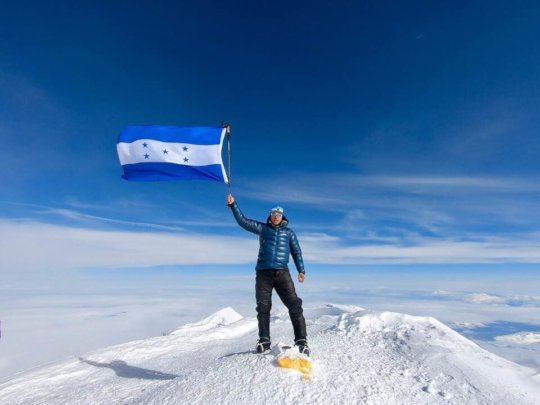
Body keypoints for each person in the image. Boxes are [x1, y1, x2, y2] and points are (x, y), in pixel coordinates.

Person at [227, 194, 309, 356]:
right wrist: (233, 205)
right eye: (273, 214)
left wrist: (301, 270)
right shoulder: (263, 228)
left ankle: (301, 341)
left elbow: (296, 252)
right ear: (270, 216)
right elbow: (243, 221)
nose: (276, 217)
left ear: (282, 217)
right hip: (263, 273)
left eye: (278, 215)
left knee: (295, 305)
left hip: (282, 273)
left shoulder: (289, 233)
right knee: (263, 308)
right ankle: (264, 340)